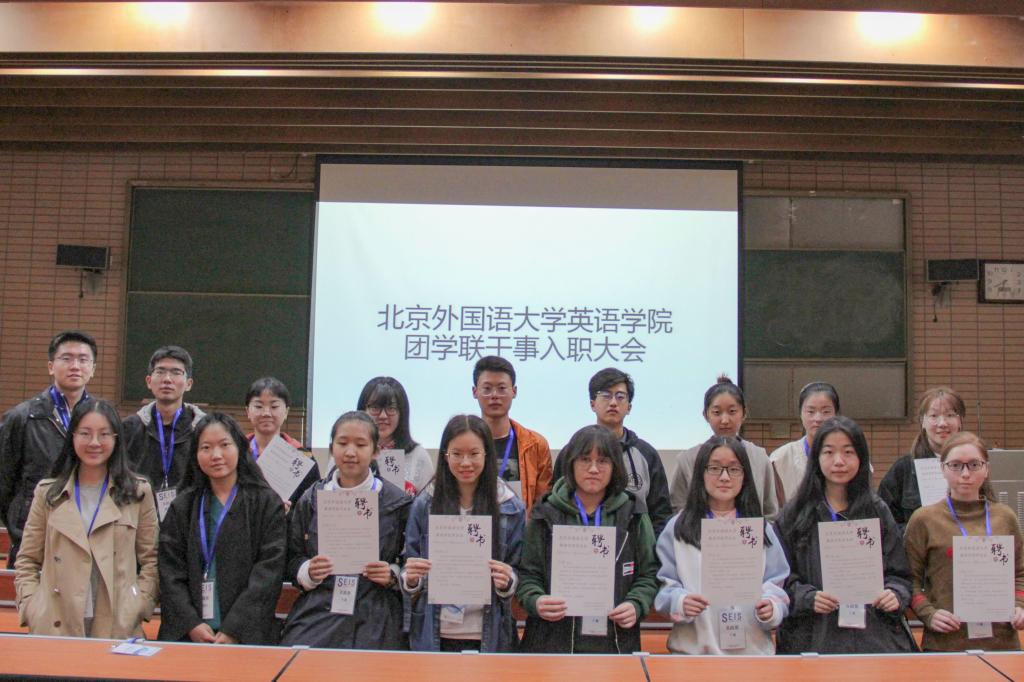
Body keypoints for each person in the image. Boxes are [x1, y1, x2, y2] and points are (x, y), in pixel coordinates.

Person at [13, 399, 158, 638]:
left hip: (117, 622)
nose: (94, 442)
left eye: (104, 434)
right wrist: (32, 606)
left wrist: (139, 603)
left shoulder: (137, 493)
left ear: (116, 438)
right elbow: (27, 559)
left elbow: (151, 559)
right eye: (85, 433)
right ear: (72, 437)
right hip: (56, 622)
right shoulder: (48, 494)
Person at [774, 416, 917, 654]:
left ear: (861, 458)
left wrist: (895, 594)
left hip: (872, 639)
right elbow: (778, 579)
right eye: (829, 452)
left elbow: (900, 574)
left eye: (848, 452)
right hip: (813, 638)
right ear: (816, 458)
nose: (839, 461)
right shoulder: (795, 514)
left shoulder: (877, 510)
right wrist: (808, 597)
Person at [518, 424, 659, 654]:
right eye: (585, 459)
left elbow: (649, 573)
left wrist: (636, 603)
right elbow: (527, 574)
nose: (593, 469)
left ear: (615, 467)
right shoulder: (545, 513)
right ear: (571, 463)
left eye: (603, 461)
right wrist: (536, 600)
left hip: (616, 644)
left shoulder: (633, 513)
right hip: (551, 643)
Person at [279, 411, 412, 649]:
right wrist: (308, 571)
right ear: (332, 448)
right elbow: (291, 556)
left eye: (360, 445)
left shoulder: (398, 503)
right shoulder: (312, 499)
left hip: (377, 611)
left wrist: (392, 575)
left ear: (376, 451)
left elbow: (410, 559)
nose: (350, 452)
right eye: (342, 443)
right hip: (320, 608)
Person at [157, 413, 286, 645]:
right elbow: (170, 572)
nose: (216, 455)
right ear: (195, 454)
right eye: (206, 448)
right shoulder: (183, 506)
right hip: (191, 635)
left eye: (225, 445)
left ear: (239, 448)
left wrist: (235, 629)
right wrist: (191, 624)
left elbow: (268, 572)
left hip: (247, 636)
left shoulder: (266, 503)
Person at [655, 436, 789, 654]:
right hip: (693, 654)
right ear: (701, 473)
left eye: (734, 469)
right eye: (715, 468)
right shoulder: (678, 527)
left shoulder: (760, 529)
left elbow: (777, 582)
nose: (725, 477)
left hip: (752, 655)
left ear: (745, 475)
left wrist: (772, 606)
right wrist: (680, 602)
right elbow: (664, 586)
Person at [403, 414, 525, 652]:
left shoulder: (510, 506)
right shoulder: (425, 504)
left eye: (474, 453)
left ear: (486, 454)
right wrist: (411, 578)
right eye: (456, 454)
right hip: (434, 631)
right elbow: (409, 565)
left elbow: (519, 571)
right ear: (445, 455)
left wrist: (507, 581)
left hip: (489, 633)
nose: (465, 462)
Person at [904, 431, 1024, 651]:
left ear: (986, 469)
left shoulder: (1005, 517)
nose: (966, 473)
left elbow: (1020, 574)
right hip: (945, 645)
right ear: (942, 468)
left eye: (974, 465)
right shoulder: (924, 519)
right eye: (956, 465)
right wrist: (929, 614)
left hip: (1003, 644)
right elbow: (908, 580)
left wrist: (1019, 606)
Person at [1, 330, 98, 568]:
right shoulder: (21, 417)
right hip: (33, 537)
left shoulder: (103, 419)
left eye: (83, 359)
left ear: (93, 369)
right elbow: (4, 482)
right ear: (51, 367)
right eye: (66, 358)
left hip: (89, 536)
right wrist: (19, 524)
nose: (75, 366)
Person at [553, 368, 672, 536]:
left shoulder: (646, 454)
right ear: (592, 404)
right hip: (576, 545)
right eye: (606, 395)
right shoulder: (572, 452)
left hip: (632, 547)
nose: (613, 402)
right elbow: (556, 503)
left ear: (629, 407)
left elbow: (660, 514)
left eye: (620, 396)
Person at [670, 376, 779, 522]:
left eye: (732, 411)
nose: (725, 420)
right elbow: (677, 509)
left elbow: (770, 512)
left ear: (744, 413)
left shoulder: (759, 457)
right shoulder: (687, 459)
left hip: (749, 535)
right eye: (717, 412)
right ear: (705, 415)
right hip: (698, 535)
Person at [122, 345, 206, 522]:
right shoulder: (130, 428)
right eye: (160, 372)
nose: (167, 379)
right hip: (137, 519)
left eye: (176, 372)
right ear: (148, 381)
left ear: (189, 384)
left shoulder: (203, 429)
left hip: (190, 520)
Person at [471, 356, 552, 514]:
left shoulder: (536, 444)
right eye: (487, 389)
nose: (494, 395)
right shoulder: (462, 442)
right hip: (473, 524)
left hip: (521, 526)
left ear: (514, 392)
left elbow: (543, 503)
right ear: (475, 392)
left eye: (502, 388)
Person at [880, 387, 965, 531]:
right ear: (922, 421)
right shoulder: (904, 469)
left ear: (960, 421)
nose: (942, 423)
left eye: (950, 415)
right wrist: (917, 533)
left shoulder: (975, 466)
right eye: (934, 416)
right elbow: (883, 523)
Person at [245, 377, 320, 512]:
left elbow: (311, 508)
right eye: (258, 406)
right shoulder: (235, 453)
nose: (266, 413)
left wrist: (288, 513)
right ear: (247, 412)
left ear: (286, 412)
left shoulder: (303, 457)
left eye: (274, 406)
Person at [357, 376, 433, 494]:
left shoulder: (418, 455)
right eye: (375, 408)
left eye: (391, 408)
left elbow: (428, 502)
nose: (383, 416)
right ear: (362, 410)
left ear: (402, 413)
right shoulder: (347, 451)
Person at [769, 382, 840, 506]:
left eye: (826, 412)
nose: (818, 419)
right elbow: (774, 508)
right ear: (800, 414)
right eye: (811, 411)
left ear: (836, 414)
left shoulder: (852, 455)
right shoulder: (781, 458)